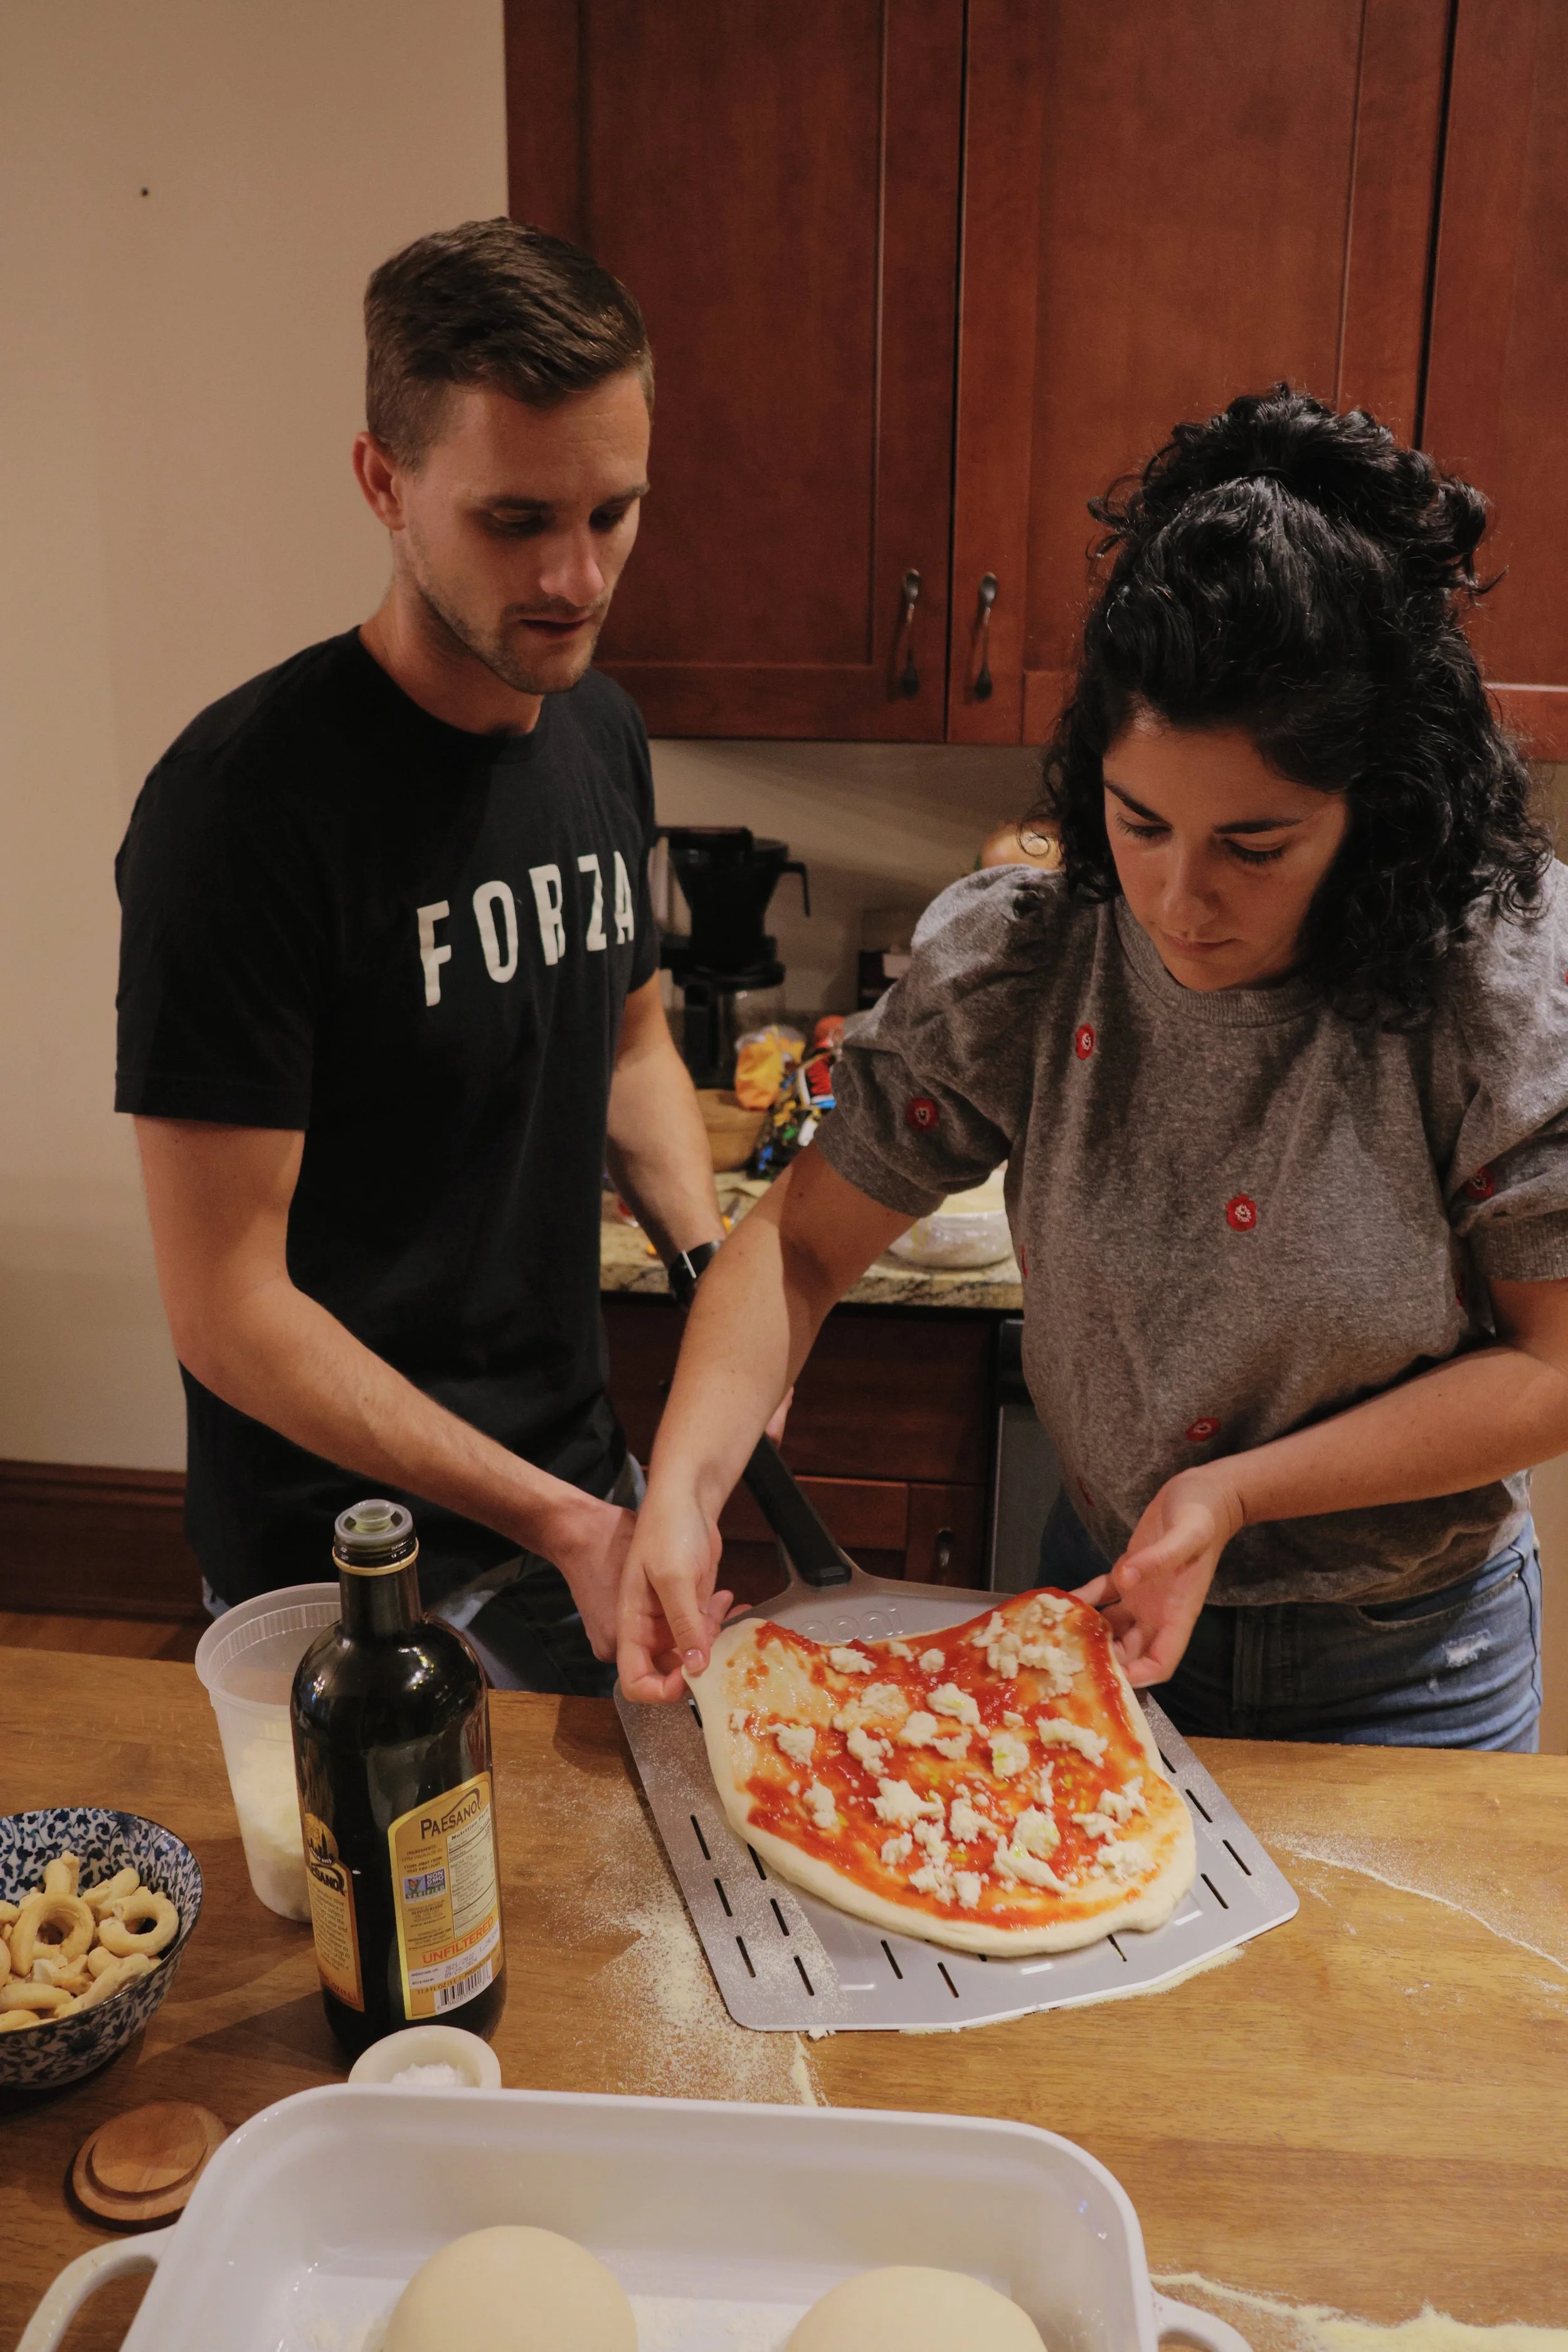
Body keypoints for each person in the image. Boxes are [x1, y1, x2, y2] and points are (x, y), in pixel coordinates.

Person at [618, 388, 1568, 1752]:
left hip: (1403, 1659)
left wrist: (1232, 1492)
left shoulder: (1479, 983)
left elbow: (1549, 1364)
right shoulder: (1034, 957)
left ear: (1377, 809)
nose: (1179, 900)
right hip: (1103, 1595)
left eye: (1256, 846)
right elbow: (800, 1250)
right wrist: (683, 1492)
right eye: (1138, 823)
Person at [116, 218, 733, 1694]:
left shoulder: (602, 731)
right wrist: (556, 1516)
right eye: (516, 522)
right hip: (347, 1559)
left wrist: (717, 1286)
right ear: (384, 483)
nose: (578, 578)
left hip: (572, 1485)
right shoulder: (243, 810)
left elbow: (631, 1044)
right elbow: (228, 1310)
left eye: (616, 512)